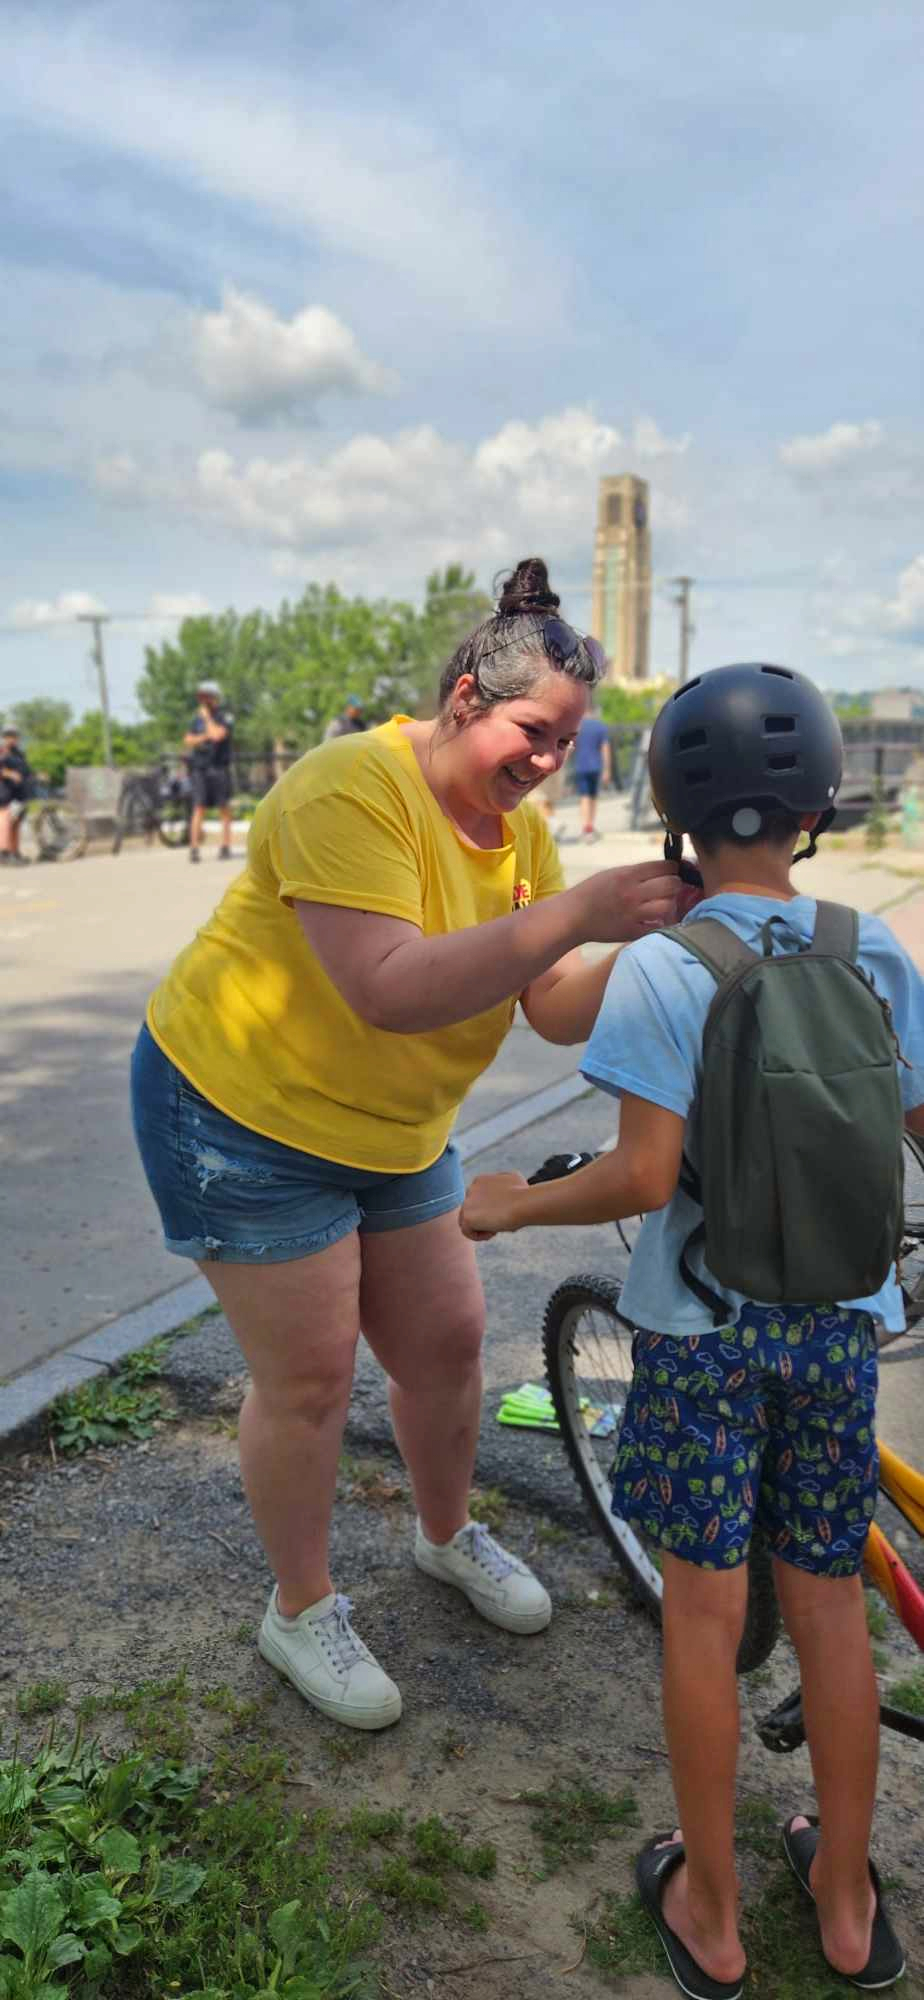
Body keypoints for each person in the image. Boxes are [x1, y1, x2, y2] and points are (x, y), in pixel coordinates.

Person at [131, 555, 683, 1734]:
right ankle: (301, 1605)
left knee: (447, 1339)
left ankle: (445, 1537)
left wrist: (666, 956)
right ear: (468, 699)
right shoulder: (350, 787)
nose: (548, 762)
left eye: (569, 744)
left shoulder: (517, 833)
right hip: (241, 1113)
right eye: (536, 731)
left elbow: (551, 1000)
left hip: (391, 1128)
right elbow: (389, 987)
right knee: (314, 1375)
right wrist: (581, 911)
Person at [461, 661, 924, 1999]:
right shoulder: (873, 945)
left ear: (673, 807)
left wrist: (511, 1207)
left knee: (705, 1615)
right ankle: (845, 1900)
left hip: (700, 1341)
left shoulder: (665, 967)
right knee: (831, 1603)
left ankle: (711, 1913)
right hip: (840, 1332)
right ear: (819, 806)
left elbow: (644, 1178)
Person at [184, 680, 234, 863]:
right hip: (200, 768)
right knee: (198, 806)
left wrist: (206, 721)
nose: (204, 701)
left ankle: (226, 845)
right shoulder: (196, 718)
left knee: (224, 808)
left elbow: (218, 735)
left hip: (219, 768)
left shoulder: (225, 716)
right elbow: (188, 740)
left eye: (207, 697)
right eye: (202, 697)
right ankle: (194, 848)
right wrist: (203, 735)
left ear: (215, 698)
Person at [572, 696, 612, 840]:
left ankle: (585, 827)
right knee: (593, 797)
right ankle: (591, 826)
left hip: (580, 766)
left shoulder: (577, 726)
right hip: (595, 766)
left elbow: (570, 746)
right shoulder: (600, 726)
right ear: (593, 710)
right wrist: (607, 770)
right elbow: (605, 749)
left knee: (584, 796)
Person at [0, 723, 32, 866]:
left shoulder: (19, 753)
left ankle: (15, 852)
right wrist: (9, 773)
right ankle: (3, 853)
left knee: (16, 823)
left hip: (19, 793)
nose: (11, 738)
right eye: (8, 735)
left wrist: (37, 776)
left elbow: (26, 770)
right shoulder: (2, 751)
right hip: (4, 792)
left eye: (13, 735)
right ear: (4, 737)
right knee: (5, 819)